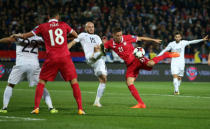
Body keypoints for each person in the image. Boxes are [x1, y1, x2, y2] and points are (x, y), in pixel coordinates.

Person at [12, 8, 85, 115]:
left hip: (51, 57)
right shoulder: (64, 24)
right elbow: (76, 35)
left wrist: (18, 35)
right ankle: (80, 109)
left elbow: (26, 36)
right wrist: (65, 37)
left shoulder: (42, 26)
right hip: (65, 57)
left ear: (48, 17)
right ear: (58, 17)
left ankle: (36, 108)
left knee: (41, 82)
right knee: (73, 82)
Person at [103, 27, 179, 108]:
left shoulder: (127, 37)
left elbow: (141, 38)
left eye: (120, 35)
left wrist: (153, 40)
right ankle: (141, 104)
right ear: (113, 35)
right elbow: (105, 51)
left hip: (137, 58)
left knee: (151, 63)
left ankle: (166, 54)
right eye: (117, 35)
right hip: (130, 65)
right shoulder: (109, 43)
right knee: (129, 82)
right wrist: (103, 45)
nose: (120, 37)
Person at [0, 35, 57, 114]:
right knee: (41, 85)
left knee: (10, 85)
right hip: (34, 65)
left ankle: (4, 107)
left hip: (21, 64)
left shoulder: (19, 36)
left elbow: (8, 40)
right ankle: (51, 107)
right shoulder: (39, 38)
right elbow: (49, 44)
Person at [68, 22, 107, 107]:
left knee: (103, 79)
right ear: (86, 28)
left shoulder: (97, 37)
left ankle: (97, 102)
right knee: (97, 49)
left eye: (92, 27)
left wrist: (103, 46)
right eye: (89, 27)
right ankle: (97, 54)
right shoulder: (82, 35)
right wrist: (65, 49)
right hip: (90, 57)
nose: (91, 28)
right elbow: (73, 42)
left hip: (98, 60)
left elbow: (102, 48)